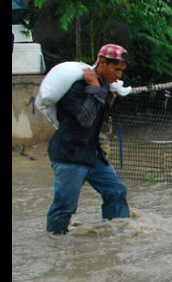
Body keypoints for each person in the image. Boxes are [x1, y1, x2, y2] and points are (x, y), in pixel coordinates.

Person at [45, 44, 131, 234]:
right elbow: (86, 119)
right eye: (116, 69)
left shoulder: (106, 87)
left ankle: (117, 236)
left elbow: (99, 117)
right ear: (102, 62)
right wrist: (94, 87)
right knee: (65, 207)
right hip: (69, 155)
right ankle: (54, 243)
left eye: (121, 71)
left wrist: (109, 94)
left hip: (92, 154)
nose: (119, 75)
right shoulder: (77, 87)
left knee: (116, 191)